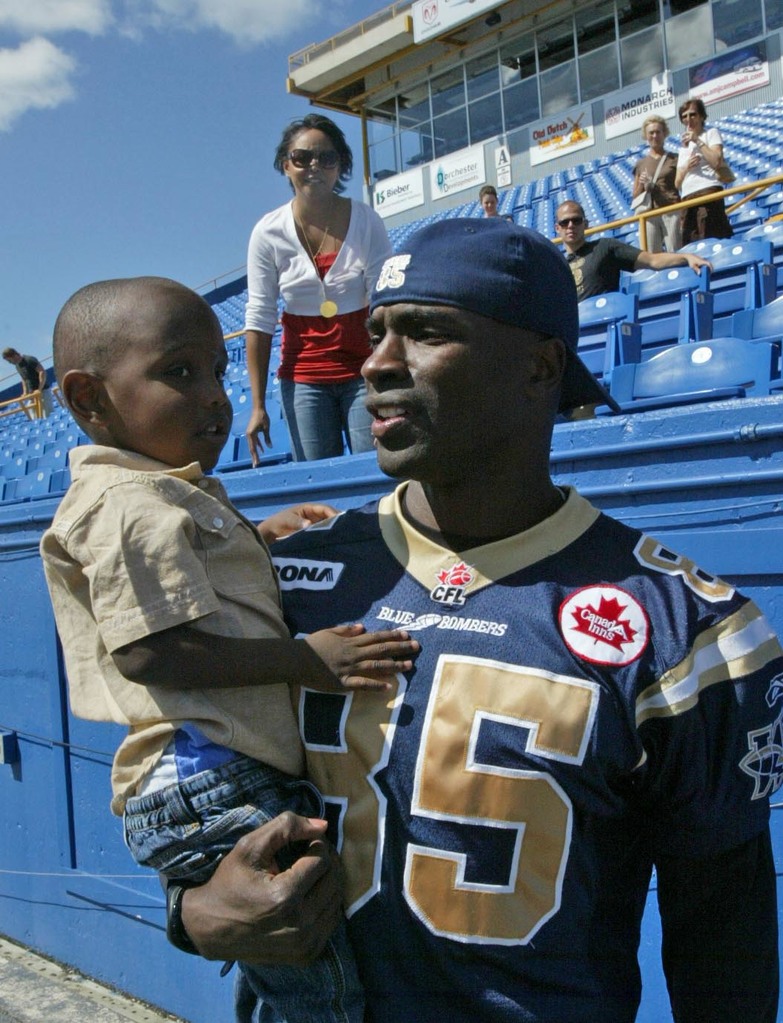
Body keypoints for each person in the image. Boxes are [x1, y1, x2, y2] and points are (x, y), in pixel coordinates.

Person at [177, 220, 781, 1023]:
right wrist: (189, 910)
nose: (377, 363)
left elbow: (721, 940)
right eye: (378, 330)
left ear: (538, 367)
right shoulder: (285, 576)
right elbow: (184, 781)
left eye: (426, 331)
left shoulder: (689, 628)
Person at [39, 276, 419, 1023]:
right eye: (179, 372)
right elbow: (153, 651)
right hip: (215, 778)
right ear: (87, 399)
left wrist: (258, 537)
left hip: (210, 774)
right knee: (321, 984)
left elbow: (187, 580)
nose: (214, 394)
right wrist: (305, 660)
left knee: (284, 967)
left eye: (218, 369)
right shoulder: (129, 505)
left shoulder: (165, 493)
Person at [244, 114, 392, 465]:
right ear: (286, 166)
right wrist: (258, 406)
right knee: (318, 482)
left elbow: (382, 300)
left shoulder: (367, 220)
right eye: (302, 158)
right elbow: (260, 317)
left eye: (326, 158)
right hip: (303, 379)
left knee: (371, 470)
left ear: (341, 166)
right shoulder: (267, 233)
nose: (314, 166)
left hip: (362, 372)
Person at [555, 200, 711, 299]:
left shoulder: (605, 247)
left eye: (576, 220)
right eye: (564, 222)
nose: (570, 226)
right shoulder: (555, 265)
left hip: (604, 324)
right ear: (557, 228)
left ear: (586, 224)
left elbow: (652, 260)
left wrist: (686, 257)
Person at [675, 97, 734, 244]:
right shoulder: (683, 148)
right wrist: (686, 167)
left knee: (711, 237)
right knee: (691, 243)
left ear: (701, 116)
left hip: (707, 192)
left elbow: (716, 160)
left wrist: (697, 141)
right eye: (684, 116)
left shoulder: (711, 133)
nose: (689, 119)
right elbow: (676, 183)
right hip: (687, 199)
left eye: (692, 114)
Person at [631, 115, 681, 253]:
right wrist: (642, 184)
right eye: (651, 133)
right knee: (652, 257)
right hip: (649, 214)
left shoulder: (674, 158)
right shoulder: (641, 164)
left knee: (675, 252)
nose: (655, 136)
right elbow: (635, 196)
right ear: (646, 136)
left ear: (664, 133)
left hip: (671, 210)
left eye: (658, 132)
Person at [2, 346, 53, 417]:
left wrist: (39, 389)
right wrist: (25, 392)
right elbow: (24, 379)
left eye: (9, 360)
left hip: (43, 391)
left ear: (13, 355)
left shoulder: (29, 360)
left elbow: (42, 372)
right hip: (32, 394)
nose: (9, 363)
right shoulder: (17, 366)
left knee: (47, 414)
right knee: (33, 416)